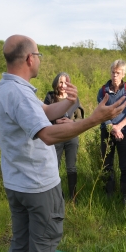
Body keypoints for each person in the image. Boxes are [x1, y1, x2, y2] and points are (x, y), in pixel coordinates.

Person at [0, 35, 126, 252]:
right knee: (43, 246)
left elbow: (45, 113)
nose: (40, 59)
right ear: (30, 59)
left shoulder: (8, 88)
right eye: (38, 54)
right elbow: (48, 133)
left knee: (21, 243)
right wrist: (91, 120)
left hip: (17, 183)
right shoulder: (18, 93)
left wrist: (70, 103)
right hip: (37, 185)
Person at [97, 60, 126, 204]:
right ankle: (109, 192)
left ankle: (125, 194)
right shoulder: (103, 90)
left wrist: (119, 126)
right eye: (113, 72)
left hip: (124, 132)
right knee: (107, 164)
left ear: (123, 74)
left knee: (124, 165)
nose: (115, 75)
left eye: (118, 73)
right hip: (107, 132)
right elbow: (100, 113)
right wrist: (112, 127)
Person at [44, 72, 84, 202]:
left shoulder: (73, 98)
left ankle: (73, 196)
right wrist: (56, 122)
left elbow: (80, 119)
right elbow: (43, 117)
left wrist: (71, 122)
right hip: (56, 136)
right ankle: (56, 195)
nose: (62, 85)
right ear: (56, 83)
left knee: (71, 167)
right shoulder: (50, 97)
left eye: (65, 82)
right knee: (54, 165)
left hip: (71, 136)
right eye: (60, 82)